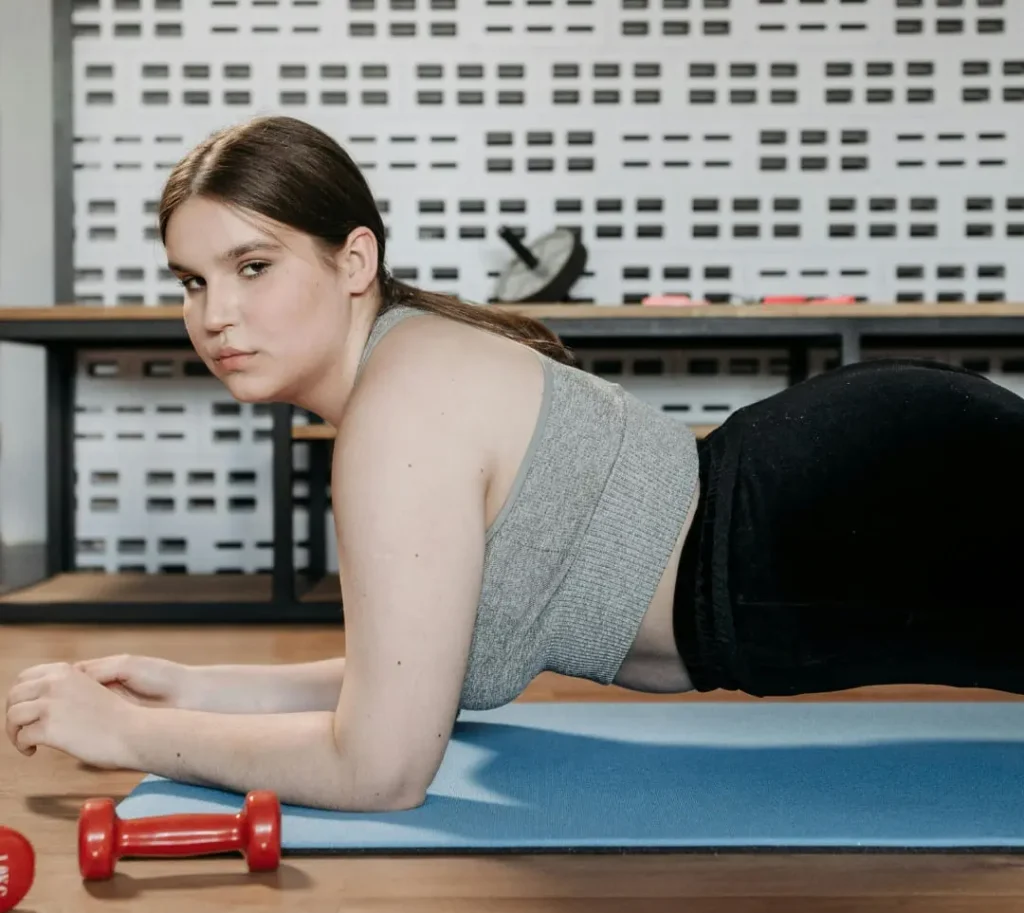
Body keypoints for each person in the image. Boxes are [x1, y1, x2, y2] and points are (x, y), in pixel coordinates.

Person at [6, 116, 1024, 811]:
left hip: (853, 517)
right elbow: (410, 681)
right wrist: (191, 687)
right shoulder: (397, 384)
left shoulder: (398, 412)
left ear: (352, 261)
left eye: (252, 266)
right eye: (191, 281)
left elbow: (381, 766)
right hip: (818, 536)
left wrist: (129, 738)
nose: (214, 314)